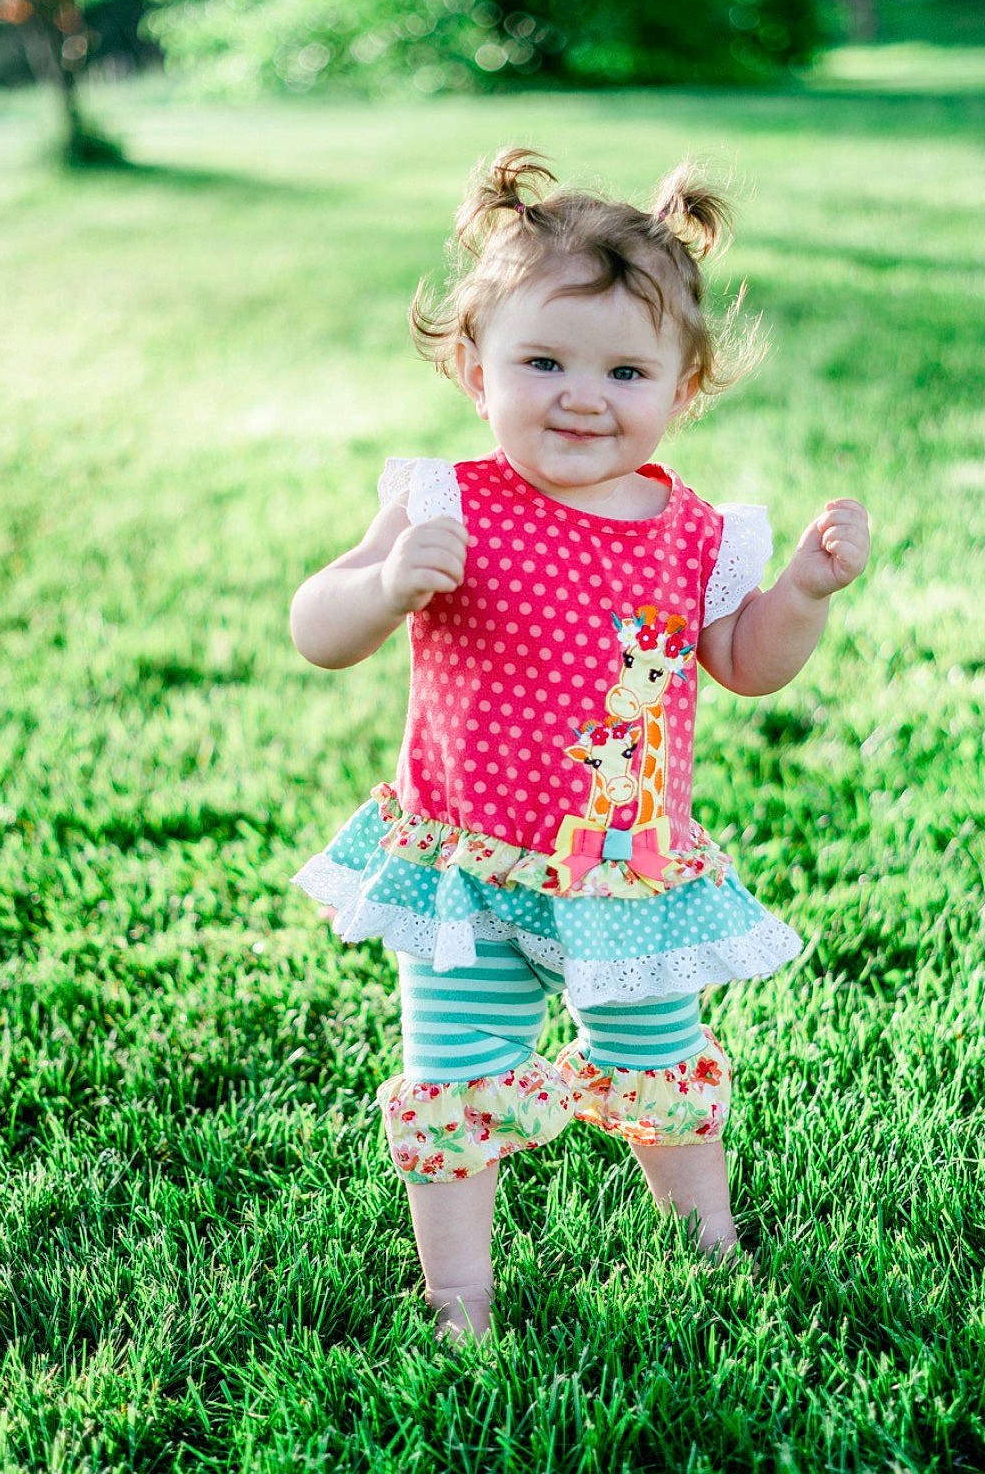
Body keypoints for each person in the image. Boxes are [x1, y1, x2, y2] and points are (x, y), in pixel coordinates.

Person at [289, 148, 870, 1345]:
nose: (582, 396)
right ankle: (459, 1295)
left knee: (658, 1054)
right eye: (542, 362)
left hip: (626, 867)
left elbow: (746, 661)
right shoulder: (443, 501)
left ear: (683, 390)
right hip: (469, 865)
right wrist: (385, 586)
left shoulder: (694, 532)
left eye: (626, 370)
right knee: (457, 1073)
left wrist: (803, 592)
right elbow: (315, 628)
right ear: (475, 367)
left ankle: (708, 1242)